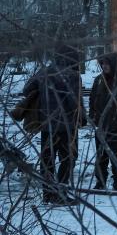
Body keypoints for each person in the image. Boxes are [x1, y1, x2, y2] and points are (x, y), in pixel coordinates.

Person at [22, 44, 83, 205]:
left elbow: (26, 90)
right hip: (66, 126)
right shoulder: (73, 75)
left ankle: (48, 194)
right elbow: (74, 102)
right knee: (69, 158)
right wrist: (81, 118)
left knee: (47, 160)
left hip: (46, 125)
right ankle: (60, 193)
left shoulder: (43, 72)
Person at [89, 53, 117, 190]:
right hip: (101, 125)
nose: (104, 66)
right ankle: (100, 181)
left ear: (114, 64)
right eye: (102, 63)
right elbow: (92, 99)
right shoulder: (98, 80)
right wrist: (92, 116)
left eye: (107, 63)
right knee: (101, 155)